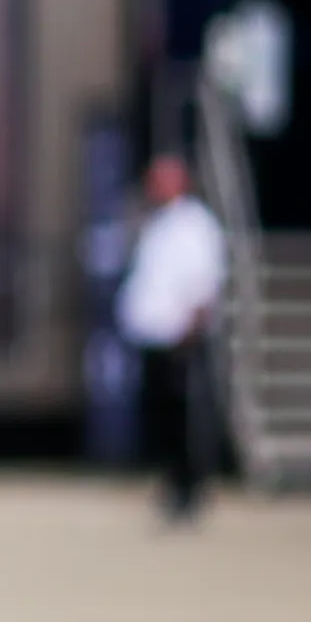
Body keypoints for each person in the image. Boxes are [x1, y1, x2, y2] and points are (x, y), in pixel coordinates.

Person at [114, 151, 228, 519]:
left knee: (185, 418)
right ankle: (173, 482)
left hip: (179, 338)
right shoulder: (157, 222)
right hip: (154, 337)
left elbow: (203, 280)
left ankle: (191, 486)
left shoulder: (195, 224)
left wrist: (191, 327)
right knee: (162, 417)